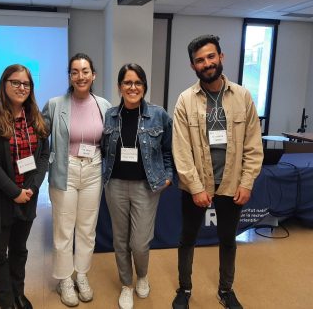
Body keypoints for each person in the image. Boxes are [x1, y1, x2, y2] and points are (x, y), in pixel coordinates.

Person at [171, 35, 263, 309]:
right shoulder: (185, 101)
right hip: (197, 185)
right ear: (193, 66)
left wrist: (247, 183)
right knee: (187, 238)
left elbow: (253, 143)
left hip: (232, 184)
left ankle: (226, 290)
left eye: (211, 57)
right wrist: (196, 187)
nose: (207, 63)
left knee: (228, 240)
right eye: (200, 60)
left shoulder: (242, 96)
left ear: (221, 57)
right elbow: (181, 149)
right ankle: (184, 289)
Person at [0, 64, 49, 309]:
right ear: (4, 84)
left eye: (26, 83)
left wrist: (32, 188)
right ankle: (6, 302)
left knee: (19, 250)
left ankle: (18, 293)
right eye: (15, 82)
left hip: (27, 198)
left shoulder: (35, 117)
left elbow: (43, 155)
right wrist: (14, 192)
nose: (21, 87)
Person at [102, 63, 174, 309]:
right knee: (120, 240)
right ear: (120, 87)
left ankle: (142, 275)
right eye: (127, 83)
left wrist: (167, 175)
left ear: (144, 86)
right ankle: (126, 284)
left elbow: (168, 150)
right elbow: (102, 151)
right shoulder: (110, 115)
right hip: (115, 185)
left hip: (147, 186)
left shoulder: (158, 114)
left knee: (140, 242)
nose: (133, 87)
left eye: (138, 83)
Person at [42, 53, 111, 307]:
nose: (80, 76)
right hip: (65, 169)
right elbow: (39, 135)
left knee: (87, 227)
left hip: (93, 168)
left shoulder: (104, 105)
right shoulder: (54, 104)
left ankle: (81, 275)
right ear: (69, 76)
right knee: (63, 227)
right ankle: (64, 279)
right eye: (74, 71)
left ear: (93, 75)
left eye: (85, 71)